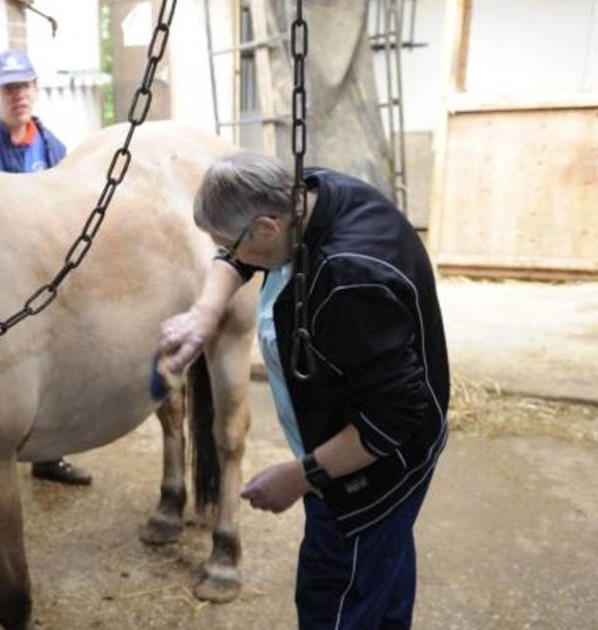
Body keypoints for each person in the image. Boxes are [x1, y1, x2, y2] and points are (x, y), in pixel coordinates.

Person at [157, 152, 448, 629]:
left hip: (374, 469)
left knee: (336, 595)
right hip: (355, 435)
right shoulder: (311, 191)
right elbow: (235, 257)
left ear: (268, 229)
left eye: (230, 243)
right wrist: (204, 312)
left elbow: (394, 418)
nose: (227, 256)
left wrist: (301, 476)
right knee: (384, 574)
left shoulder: (349, 282)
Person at [0, 50, 91, 485]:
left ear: (35, 90)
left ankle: (49, 456)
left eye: (26, 85)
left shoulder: (54, 148)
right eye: (10, 87)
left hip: (44, 275)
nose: (19, 95)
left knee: (55, 365)